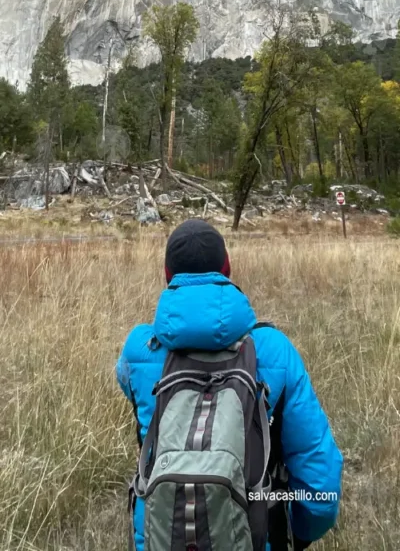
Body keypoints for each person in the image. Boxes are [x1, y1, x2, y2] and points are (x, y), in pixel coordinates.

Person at [116, 219, 343, 551]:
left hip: (158, 537)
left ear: (168, 276)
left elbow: (131, 392)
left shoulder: (138, 348)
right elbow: (318, 479)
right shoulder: (273, 349)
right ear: (227, 270)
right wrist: (299, 534)